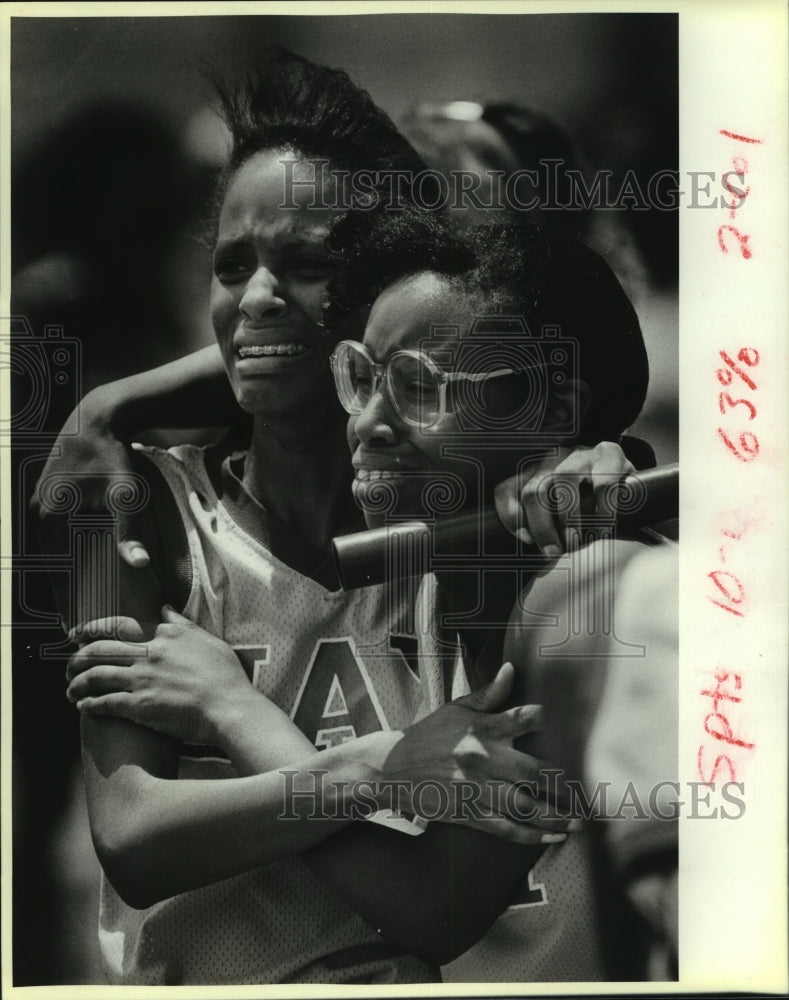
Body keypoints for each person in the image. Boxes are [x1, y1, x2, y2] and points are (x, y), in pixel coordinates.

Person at [36, 50, 634, 986]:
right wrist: (388, 765)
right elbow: (134, 837)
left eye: (308, 263)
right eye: (232, 265)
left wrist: (605, 458)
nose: (258, 298)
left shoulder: (473, 526)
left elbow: (439, 901)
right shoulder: (126, 501)